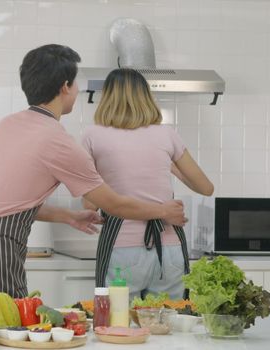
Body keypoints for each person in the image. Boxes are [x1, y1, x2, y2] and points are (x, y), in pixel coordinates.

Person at [0, 44, 187, 309]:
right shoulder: (57, 141)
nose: (77, 91)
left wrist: (67, 216)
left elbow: (4, 203)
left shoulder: (6, 125)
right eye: (76, 84)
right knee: (13, 337)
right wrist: (163, 211)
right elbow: (114, 204)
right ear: (65, 86)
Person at [81, 68, 214, 300]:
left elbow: (88, 205)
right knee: (168, 325)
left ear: (107, 98)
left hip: (121, 249)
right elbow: (206, 188)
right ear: (146, 97)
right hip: (170, 249)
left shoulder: (92, 136)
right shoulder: (167, 134)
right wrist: (172, 167)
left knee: (118, 326)